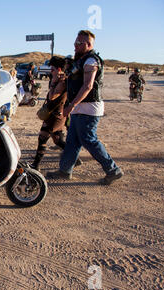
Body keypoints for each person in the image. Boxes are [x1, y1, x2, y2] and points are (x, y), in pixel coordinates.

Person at [47, 30, 123, 185]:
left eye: (79, 43)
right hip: (79, 108)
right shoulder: (81, 61)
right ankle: (65, 170)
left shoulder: (91, 61)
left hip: (88, 108)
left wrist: (71, 105)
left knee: (89, 140)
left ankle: (112, 170)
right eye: (75, 42)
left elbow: (88, 86)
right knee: (72, 141)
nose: (75, 45)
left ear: (88, 44)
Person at [31, 56, 81, 171]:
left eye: (52, 69)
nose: (51, 71)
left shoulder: (62, 82)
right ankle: (75, 158)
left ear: (59, 69)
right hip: (55, 115)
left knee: (42, 137)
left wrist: (53, 82)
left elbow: (52, 96)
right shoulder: (62, 80)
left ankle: (36, 165)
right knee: (57, 140)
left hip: (55, 116)